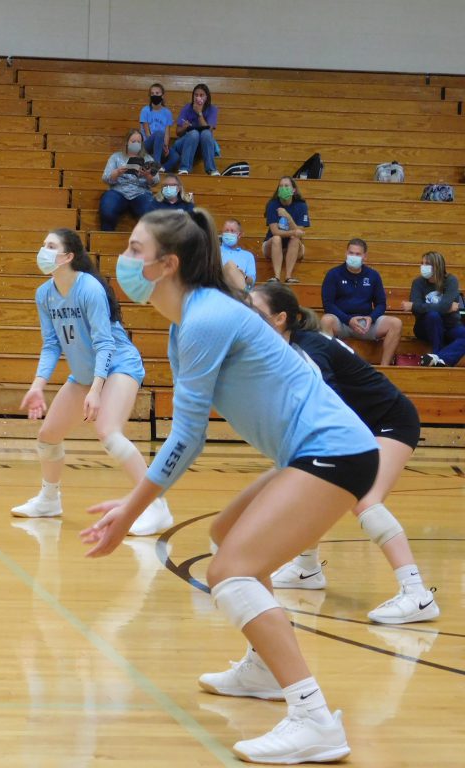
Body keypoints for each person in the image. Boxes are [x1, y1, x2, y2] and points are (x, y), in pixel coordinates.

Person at [82, 207, 379, 764]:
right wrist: (132, 502)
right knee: (225, 536)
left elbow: (187, 438)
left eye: (134, 250)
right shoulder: (188, 323)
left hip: (334, 451)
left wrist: (130, 511)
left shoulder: (206, 319)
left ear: (167, 265)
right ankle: (265, 670)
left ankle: (314, 719)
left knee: (229, 570)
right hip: (313, 452)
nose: (124, 259)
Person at [251, 282, 439, 625]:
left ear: (279, 319)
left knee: (365, 499)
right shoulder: (289, 347)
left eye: (255, 311)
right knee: (315, 489)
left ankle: (417, 595)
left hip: (390, 422)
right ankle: (307, 569)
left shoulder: (306, 349)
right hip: (360, 426)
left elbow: (330, 403)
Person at [11, 229, 173, 536]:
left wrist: (96, 391)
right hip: (86, 373)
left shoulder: (89, 288)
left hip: (118, 365)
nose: (43, 250)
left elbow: (104, 344)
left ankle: (157, 506)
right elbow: (50, 344)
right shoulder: (44, 293)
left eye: (50, 246)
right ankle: (49, 500)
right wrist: (37, 385)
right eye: (42, 244)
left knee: (107, 432)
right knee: (48, 436)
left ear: (68, 256)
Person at [320, 238, 402, 366]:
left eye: (358, 254)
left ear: (365, 256)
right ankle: (330, 367)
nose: (353, 256)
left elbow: (381, 304)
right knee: (326, 320)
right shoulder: (333, 274)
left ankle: (385, 368)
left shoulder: (373, 275)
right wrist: (348, 320)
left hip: (366, 324)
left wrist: (371, 318)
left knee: (396, 323)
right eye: (351, 253)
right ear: (346, 253)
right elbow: (328, 304)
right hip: (342, 322)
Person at [400, 250, 465, 367]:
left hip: (450, 326)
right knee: (433, 316)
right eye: (422, 263)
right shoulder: (418, 282)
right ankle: (437, 353)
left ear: (437, 266)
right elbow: (417, 312)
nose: (423, 267)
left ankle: (438, 359)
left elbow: (415, 306)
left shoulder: (451, 280)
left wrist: (415, 305)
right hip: (426, 326)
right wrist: (445, 309)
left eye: (427, 264)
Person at [98, 129, 158, 232]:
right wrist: (117, 173)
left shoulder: (148, 159)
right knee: (107, 209)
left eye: (138, 142)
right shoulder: (116, 157)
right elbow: (105, 177)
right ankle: (106, 238)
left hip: (141, 192)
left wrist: (147, 175)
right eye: (133, 141)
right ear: (127, 142)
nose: (136, 144)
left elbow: (156, 181)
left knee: (152, 213)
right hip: (118, 191)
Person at [163, 83, 219, 176]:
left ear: (207, 97)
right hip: (185, 143)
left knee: (205, 133)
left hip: (202, 145)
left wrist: (199, 113)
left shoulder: (212, 109)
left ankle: (211, 169)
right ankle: (184, 168)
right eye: (196, 95)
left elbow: (209, 131)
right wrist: (184, 127)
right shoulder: (187, 108)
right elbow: (178, 132)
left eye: (201, 95)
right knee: (194, 133)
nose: (198, 98)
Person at [262, 176, 310, 284]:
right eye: (281, 186)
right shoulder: (272, 204)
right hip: (272, 246)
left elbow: (300, 233)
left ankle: (288, 276)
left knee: (295, 239)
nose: (283, 188)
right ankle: (277, 277)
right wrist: (294, 232)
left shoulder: (301, 206)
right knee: (276, 238)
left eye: (286, 186)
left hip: (294, 247)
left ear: (293, 190)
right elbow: (275, 231)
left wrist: (288, 217)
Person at [139, 82, 174, 166]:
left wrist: (165, 146)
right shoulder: (145, 110)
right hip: (147, 145)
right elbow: (147, 134)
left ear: (162, 95)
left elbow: (167, 133)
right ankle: (156, 165)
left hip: (160, 145)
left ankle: (161, 169)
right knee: (158, 134)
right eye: (152, 93)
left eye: (157, 93)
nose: (154, 95)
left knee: (175, 156)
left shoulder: (167, 112)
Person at [219, 218, 256, 293]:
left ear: (239, 235)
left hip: (240, 292)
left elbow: (251, 282)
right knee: (230, 265)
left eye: (232, 231)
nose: (229, 233)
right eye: (226, 231)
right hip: (219, 290)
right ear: (222, 233)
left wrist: (243, 276)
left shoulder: (248, 256)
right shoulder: (215, 250)